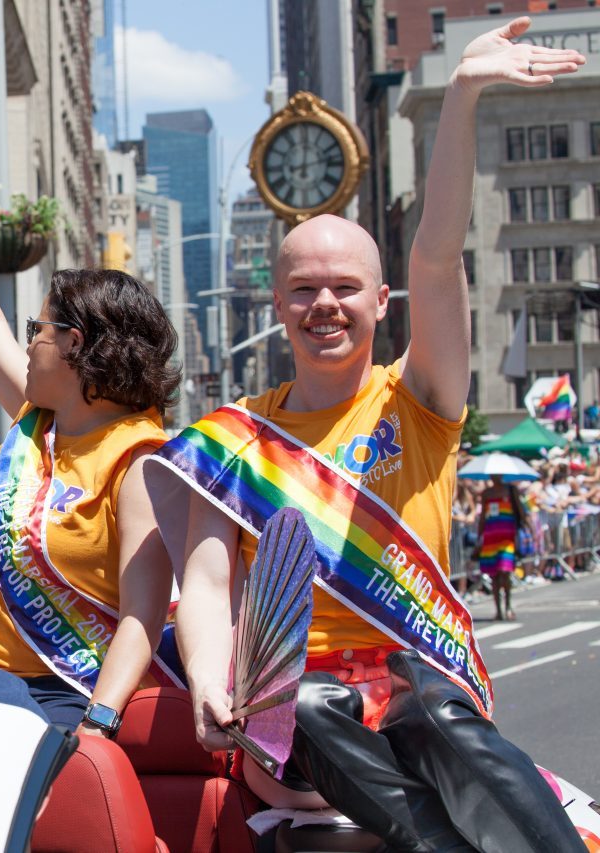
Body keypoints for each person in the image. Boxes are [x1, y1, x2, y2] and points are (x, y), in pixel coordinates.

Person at [150, 20, 586, 851]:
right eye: (304, 289)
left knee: (439, 715)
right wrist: (209, 676)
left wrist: (461, 96)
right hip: (297, 712)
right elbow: (206, 588)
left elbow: (436, 255)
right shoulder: (233, 440)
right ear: (276, 306)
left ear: (381, 303)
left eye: (347, 287)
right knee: (307, 706)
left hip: (415, 676)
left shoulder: (417, 398)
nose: (325, 305)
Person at [0, 141, 183, 734]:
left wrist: (99, 720)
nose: (28, 343)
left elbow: (144, 613)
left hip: (61, 694)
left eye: (40, 329)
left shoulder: (139, 459)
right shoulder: (37, 421)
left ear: (75, 343)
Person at [477, 475, 527, 621]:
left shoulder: (511, 490)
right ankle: (498, 610)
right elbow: (482, 517)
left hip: (507, 538)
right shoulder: (486, 493)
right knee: (494, 575)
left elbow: (521, 511)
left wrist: (524, 528)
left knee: (505, 572)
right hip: (491, 538)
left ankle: (508, 606)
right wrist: (479, 539)